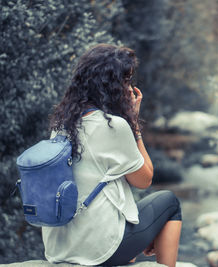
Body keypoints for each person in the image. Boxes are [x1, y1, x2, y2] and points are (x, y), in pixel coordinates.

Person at [43, 43, 182, 267]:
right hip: (98, 251)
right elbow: (144, 179)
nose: (129, 87)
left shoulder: (61, 124)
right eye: (126, 80)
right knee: (170, 202)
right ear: (112, 85)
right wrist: (134, 125)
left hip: (59, 248)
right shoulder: (114, 127)